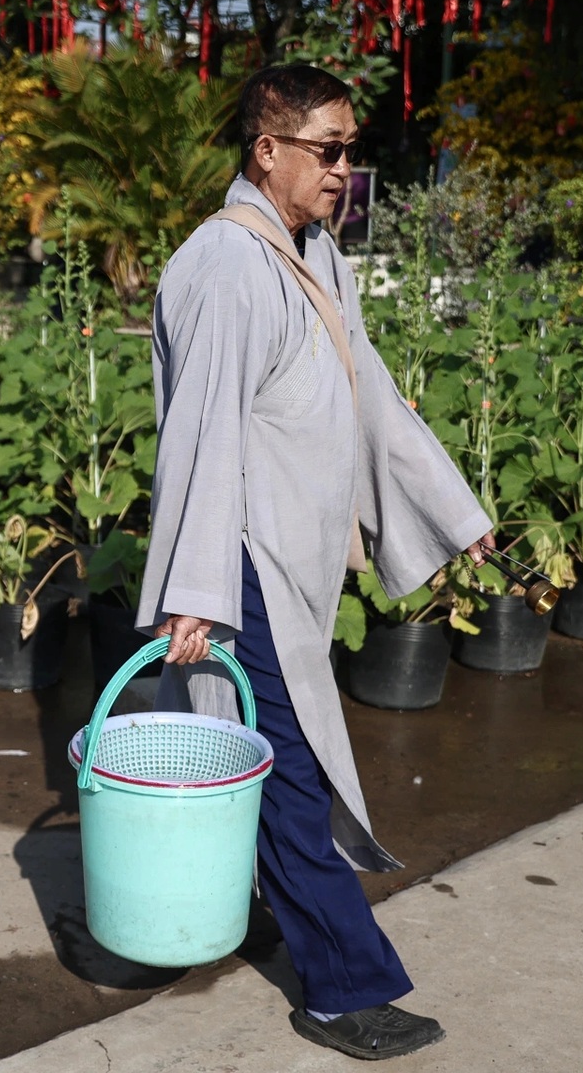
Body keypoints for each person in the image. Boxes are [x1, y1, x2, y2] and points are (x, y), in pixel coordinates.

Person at [139, 65, 496, 1061]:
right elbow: (202, 438)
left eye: (351, 150)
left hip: (294, 563)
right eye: (326, 150)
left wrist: (450, 508)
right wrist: (199, 592)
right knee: (290, 768)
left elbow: (369, 390)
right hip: (244, 563)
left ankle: (223, 901)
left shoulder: (315, 257)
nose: (345, 169)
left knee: (255, 762)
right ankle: (344, 985)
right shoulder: (226, 267)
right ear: (267, 151)